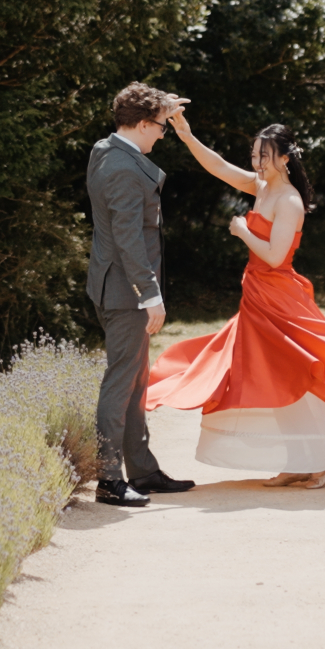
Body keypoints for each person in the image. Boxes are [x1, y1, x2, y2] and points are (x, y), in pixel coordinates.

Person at [145, 114, 325, 488]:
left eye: (264, 157)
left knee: (295, 373)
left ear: (285, 158)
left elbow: (274, 256)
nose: (257, 164)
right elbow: (219, 167)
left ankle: (322, 459)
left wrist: (241, 231)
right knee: (273, 378)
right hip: (256, 293)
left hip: (279, 296)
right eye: (254, 156)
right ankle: (299, 460)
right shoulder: (262, 187)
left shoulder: (289, 200)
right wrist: (188, 136)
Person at [85, 83, 198, 507]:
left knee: (135, 383)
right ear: (138, 124)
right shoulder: (124, 169)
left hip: (115, 284)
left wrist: (162, 106)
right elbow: (129, 238)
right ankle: (108, 480)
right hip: (125, 291)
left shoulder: (107, 149)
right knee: (121, 383)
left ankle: (143, 471)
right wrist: (149, 294)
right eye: (159, 127)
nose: (163, 134)